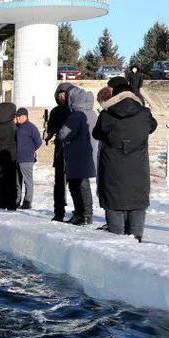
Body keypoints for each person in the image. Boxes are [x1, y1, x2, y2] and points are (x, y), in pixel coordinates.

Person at [92, 77, 158, 242]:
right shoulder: (144, 114)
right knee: (136, 231)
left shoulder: (106, 115)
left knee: (116, 237)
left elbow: (96, 133)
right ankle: (136, 251)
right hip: (138, 173)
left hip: (113, 173)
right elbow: (153, 126)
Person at [56, 87, 97, 225]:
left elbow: (64, 133)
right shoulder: (92, 113)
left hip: (77, 154)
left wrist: (59, 136)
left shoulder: (76, 115)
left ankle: (81, 214)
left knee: (76, 185)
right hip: (90, 154)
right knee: (84, 185)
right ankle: (87, 213)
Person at [45, 83, 74, 221]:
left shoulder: (57, 111)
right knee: (76, 183)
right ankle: (82, 211)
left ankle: (59, 211)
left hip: (62, 150)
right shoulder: (76, 110)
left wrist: (47, 134)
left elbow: (48, 133)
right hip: (74, 150)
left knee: (61, 184)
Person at [14, 107, 43, 209]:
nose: (17, 118)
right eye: (16, 116)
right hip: (16, 159)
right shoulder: (16, 127)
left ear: (25, 116)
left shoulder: (31, 128)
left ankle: (27, 202)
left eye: (19, 116)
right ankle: (17, 201)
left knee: (28, 182)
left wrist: (30, 150)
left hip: (26, 159)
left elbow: (38, 142)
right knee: (17, 182)